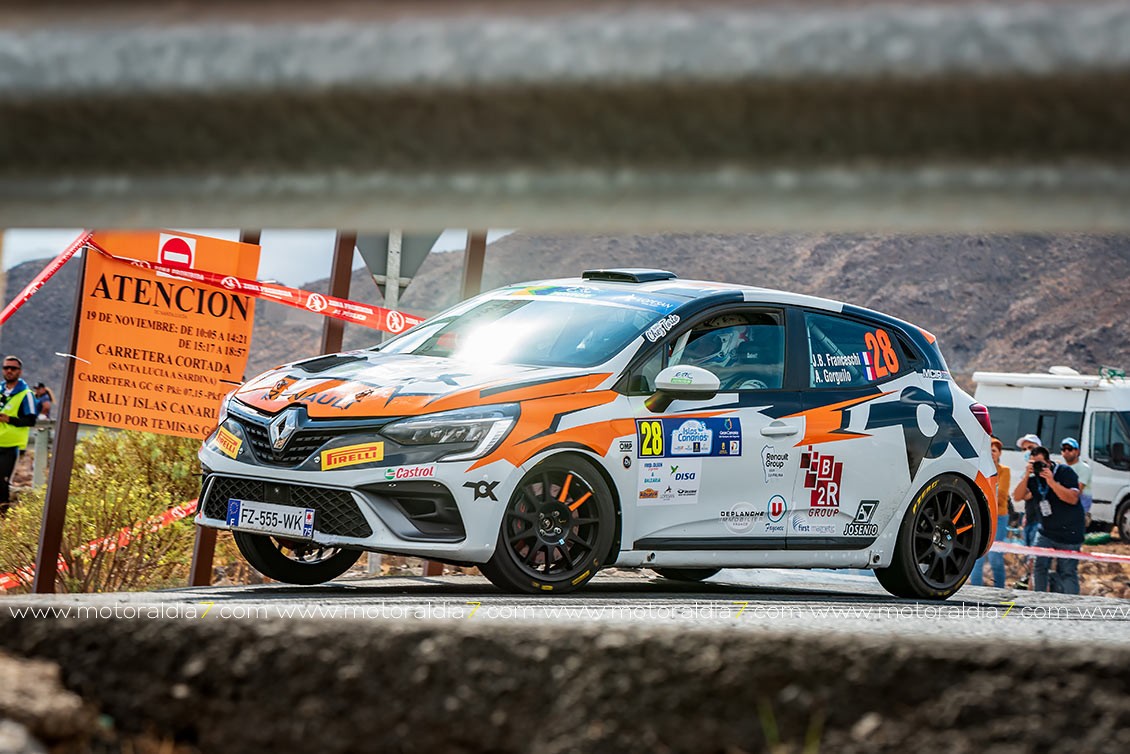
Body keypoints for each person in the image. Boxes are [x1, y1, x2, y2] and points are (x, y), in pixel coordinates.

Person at [1012, 445, 1083, 594]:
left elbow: (1072, 499)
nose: (1038, 467)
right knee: (1038, 566)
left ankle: (1071, 604)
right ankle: (1039, 600)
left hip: (1070, 533)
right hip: (1046, 532)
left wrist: (1051, 482)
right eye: (1034, 464)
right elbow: (1017, 496)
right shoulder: (1033, 479)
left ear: (1049, 463)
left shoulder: (1065, 472)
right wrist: (1026, 475)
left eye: (1040, 464)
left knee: (1067, 571)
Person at [970, 437, 1011, 587]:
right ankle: (975, 589)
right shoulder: (979, 469)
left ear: (999, 453)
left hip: (999, 517)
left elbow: (1002, 496)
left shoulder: (1004, 471)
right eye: (989, 450)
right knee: (977, 555)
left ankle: (999, 588)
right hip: (982, 516)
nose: (991, 453)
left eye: (994, 450)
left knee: (995, 557)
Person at [0, 356, 38, 515]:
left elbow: (31, 420)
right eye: (6, 368)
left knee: (2, 481)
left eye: (13, 368)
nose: (9, 371)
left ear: (19, 372)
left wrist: (9, 419)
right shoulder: (0, 390)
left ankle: (3, 516)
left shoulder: (26, 394)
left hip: (10, 446)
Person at [1060, 437, 1092, 522]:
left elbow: (1078, 491)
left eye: (1070, 449)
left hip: (1079, 508)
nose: (1066, 451)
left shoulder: (1084, 468)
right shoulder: (1062, 468)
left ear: (1077, 451)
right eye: (1064, 449)